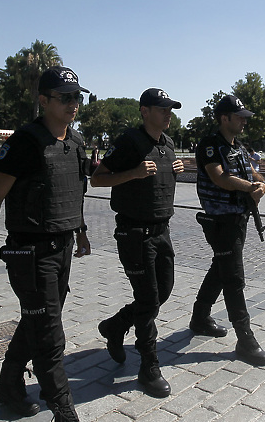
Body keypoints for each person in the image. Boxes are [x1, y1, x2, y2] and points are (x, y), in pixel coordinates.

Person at [0, 67, 93, 421]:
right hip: (31, 253)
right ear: (43, 100)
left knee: (37, 321)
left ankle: (8, 385)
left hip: (63, 246)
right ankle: (64, 410)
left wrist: (80, 230)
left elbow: (74, 191)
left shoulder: (77, 142)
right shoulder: (23, 142)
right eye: (64, 97)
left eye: (76, 97)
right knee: (51, 337)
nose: (73, 104)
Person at [90, 88, 184, 398]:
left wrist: (175, 170)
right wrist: (132, 173)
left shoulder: (168, 144)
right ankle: (148, 365)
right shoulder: (129, 141)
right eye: (162, 108)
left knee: (163, 292)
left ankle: (116, 326)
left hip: (162, 231)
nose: (168, 113)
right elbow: (98, 178)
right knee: (148, 300)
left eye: (170, 108)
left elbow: (159, 179)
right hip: (134, 233)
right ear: (145, 111)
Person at [190, 95, 265, 367]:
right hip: (220, 220)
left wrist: (261, 185)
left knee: (221, 267)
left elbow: (253, 173)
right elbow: (219, 177)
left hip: (239, 217)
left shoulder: (238, 146)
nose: (244, 121)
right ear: (224, 118)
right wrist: (250, 188)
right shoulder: (211, 145)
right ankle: (244, 338)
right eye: (239, 117)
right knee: (234, 278)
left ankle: (200, 317)